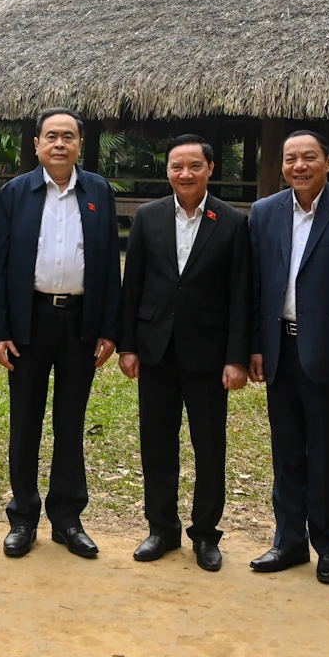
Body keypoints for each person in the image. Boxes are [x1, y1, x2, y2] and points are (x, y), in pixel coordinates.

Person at [0, 109, 120, 560]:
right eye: (51, 136)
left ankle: (66, 518)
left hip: (80, 322)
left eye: (68, 136)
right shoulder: (16, 194)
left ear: (80, 144)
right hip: (30, 320)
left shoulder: (98, 191)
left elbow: (108, 265)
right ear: (38, 144)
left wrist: (108, 326)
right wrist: (0, 329)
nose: (59, 144)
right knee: (25, 419)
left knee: (70, 419)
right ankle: (22, 517)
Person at [247, 129, 329, 586]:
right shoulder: (264, 214)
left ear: (328, 162)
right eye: (290, 159)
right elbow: (256, 287)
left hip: (328, 354)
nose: (298, 166)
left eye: (308, 158)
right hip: (278, 347)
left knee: (325, 453)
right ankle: (288, 541)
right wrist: (255, 347)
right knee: (286, 452)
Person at [119, 133, 251, 572]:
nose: (185, 174)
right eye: (177, 166)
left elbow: (240, 294)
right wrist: (128, 346)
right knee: (157, 443)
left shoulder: (231, 221)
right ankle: (161, 527)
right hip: (155, 348)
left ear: (210, 169)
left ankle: (205, 534)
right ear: (168, 171)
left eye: (194, 166)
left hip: (209, 354)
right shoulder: (149, 216)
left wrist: (236, 357)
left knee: (208, 446)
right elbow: (132, 284)